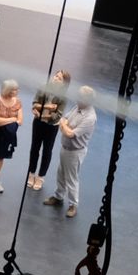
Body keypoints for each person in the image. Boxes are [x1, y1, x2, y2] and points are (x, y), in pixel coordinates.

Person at [44, 86, 98, 217]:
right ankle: (58, 197)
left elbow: (69, 133)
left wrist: (64, 126)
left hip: (75, 152)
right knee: (61, 173)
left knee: (72, 178)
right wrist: (65, 126)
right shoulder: (77, 107)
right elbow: (63, 119)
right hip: (65, 148)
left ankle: (73, 205)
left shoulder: (90, 118)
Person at [25, 71, 71, 191]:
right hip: (38, 123)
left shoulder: (63, 97)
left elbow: (57, 116)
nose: (56, 79)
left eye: (59, 78)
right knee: (34, 148)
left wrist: (40, 113)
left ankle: (40, 177)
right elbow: (34, 104)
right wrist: (46, 107)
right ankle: (31, 174)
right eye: (56, 76)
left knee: (47, 151)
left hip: (51, 126)